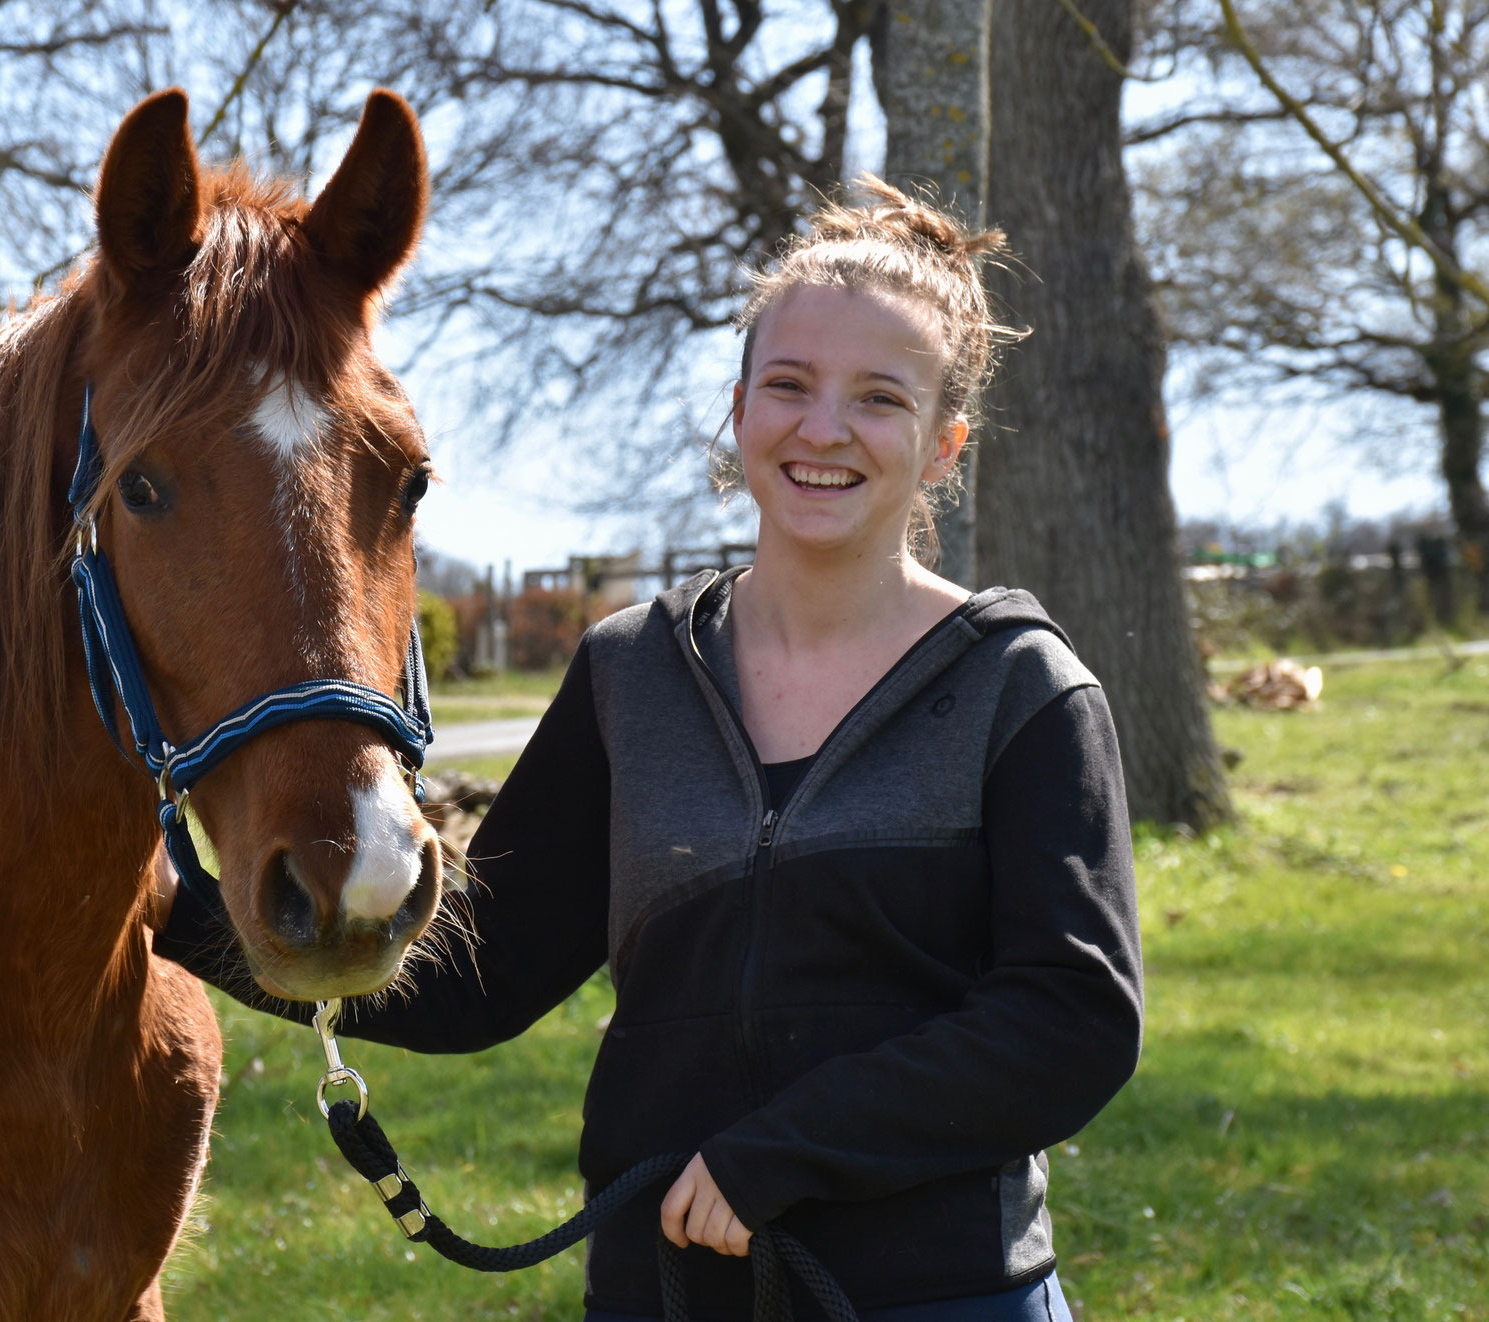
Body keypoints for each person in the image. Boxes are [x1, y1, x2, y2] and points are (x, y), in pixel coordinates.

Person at [152, 179, 1143, 1322]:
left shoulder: (1017, 686)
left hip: (942, 1292)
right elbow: (485, 973)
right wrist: (182, 908)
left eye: (878, 399)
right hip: (660, 1290)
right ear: (737, 410)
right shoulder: (631, 673)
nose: (822, 428)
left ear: (941, 445)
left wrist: (782, 1152)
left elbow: (1069, 1017)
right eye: (788, 385)